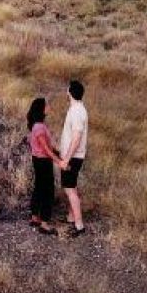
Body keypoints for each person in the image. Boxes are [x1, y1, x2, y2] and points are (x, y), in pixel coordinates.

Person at [59, 80, 89, 237]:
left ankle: (79, 225)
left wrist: (66, 159)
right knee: (72, 187)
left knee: (69, 189)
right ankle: (71, 217)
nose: (66, 91)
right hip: (73, 157)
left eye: (67, 89)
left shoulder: (77, 112)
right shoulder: (77, 109)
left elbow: (76, 138)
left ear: (70, 92)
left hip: (73, 157)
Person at [26, 96, 60, 234]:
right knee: (48, 191)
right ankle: (45, 224)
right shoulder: (39, 127)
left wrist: (58, 153)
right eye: (47, 105)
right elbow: (46, 149)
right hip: (43, 161)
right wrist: (59, 161)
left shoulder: (38, 125)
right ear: (41, 108)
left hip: (37, 160)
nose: (49, 106)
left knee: (39, 188)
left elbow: (48, 147)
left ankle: (35, 217)